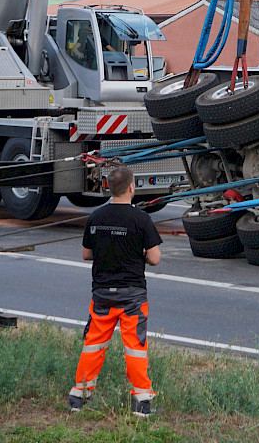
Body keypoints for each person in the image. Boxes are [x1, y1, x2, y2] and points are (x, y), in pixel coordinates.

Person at [69, 166, 162, 417]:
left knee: (94, 343)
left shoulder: (96, 216)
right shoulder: (141, 219)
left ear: (108, 188)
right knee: (135, 346)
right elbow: (155, 258)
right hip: (132, 295)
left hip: (101, 293)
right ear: (132, 187)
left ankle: (80, 394)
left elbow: (86, 254)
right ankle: (141, 400)